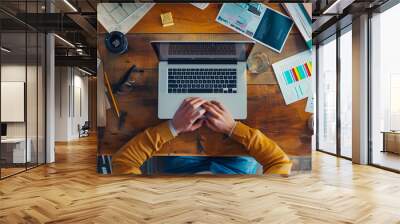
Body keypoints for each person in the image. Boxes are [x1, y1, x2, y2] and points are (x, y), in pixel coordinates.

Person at [112, 97, 292, 175]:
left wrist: (172, 127)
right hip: (235, 173)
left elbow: (124, 162)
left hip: (180, 172)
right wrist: (232, 127)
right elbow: (280, 163)